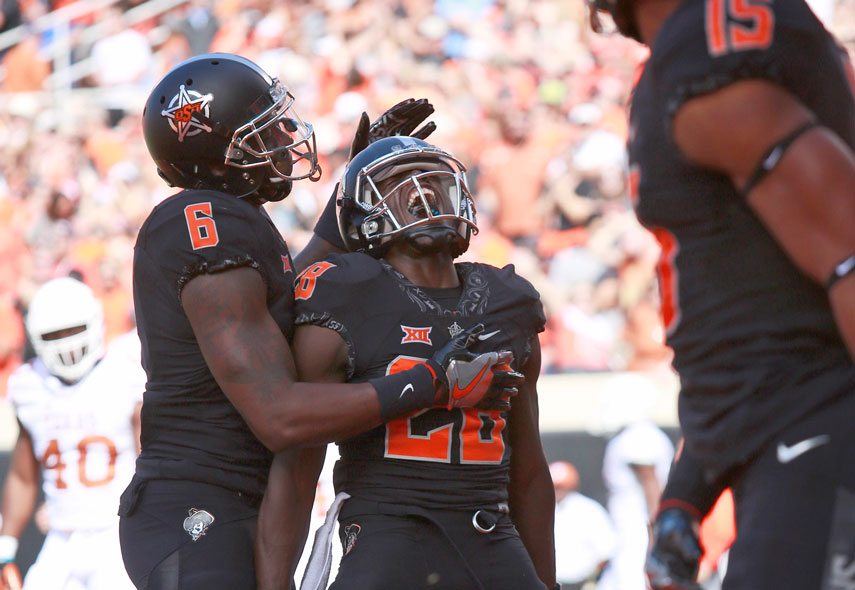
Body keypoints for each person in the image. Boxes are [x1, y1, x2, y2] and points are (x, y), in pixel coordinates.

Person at [119, 53, 513, 590]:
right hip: (199, 500)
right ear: (215, 156)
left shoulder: (237, 222)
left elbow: (279, 311)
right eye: (263, 129)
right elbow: (279, 415)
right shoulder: (202, 223)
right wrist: (432, 383)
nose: (285, 134)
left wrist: (354, 196)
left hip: (232, 495)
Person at [585, 0, 855, 587]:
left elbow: (847, 244)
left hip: (815, 423)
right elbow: (749, 299)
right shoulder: (685, 49)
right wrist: (689, 490)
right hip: (781, 425)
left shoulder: (707, 36)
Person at [256, 136, 558, 590]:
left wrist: (547, 581)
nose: (426, 193)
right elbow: (299, 466)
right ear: (362, 215)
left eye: (437, 180)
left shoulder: (508, 301)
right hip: (387, 540)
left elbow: (529, 469)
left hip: (491, 538)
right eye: (399, 182)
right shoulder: (346, 292)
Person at [0, 277, 144, 590]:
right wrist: (6, 546)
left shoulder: (124, 375)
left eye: (74, 331)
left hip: (116, 534)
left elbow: (150, 460)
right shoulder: (29, 385)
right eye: (54, 335)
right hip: (61, 537)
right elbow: (23, 476)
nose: (67, 344)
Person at [596, 374, 674, 590]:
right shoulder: (632, 435)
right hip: (628, 535)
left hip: (638, 537)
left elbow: (652, 490)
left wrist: (657, 540)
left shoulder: (638, 437)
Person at [550, 461, 616, 590]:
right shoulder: (540, 510)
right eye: (554, 487)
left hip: (581, 584)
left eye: (561, 487)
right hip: (550, 583)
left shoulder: (589, 510)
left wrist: (592, 579)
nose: (557, 492)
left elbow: (607, 551)